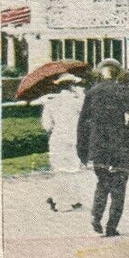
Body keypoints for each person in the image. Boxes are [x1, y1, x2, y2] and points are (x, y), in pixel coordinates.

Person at [76, 58, 129, 237]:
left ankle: (96, 216)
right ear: (118, 73)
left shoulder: (92, 93)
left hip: (99, 147)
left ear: (100, 73)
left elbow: (82, 124)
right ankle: (112, 226)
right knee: (119, 187)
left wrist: (82, 150)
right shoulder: (126, 92)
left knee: (102, 183)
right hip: (120, 146)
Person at [39, 74, 86, 212]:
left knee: (59, 170)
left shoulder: (51, 102)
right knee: (72, 170)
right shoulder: (77, 102)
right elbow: (86, 113)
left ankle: (59, 199)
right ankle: (68, 201)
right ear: (71, 86)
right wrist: (80, 94)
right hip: (73, 139)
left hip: (57, 139)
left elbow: (47, 125)